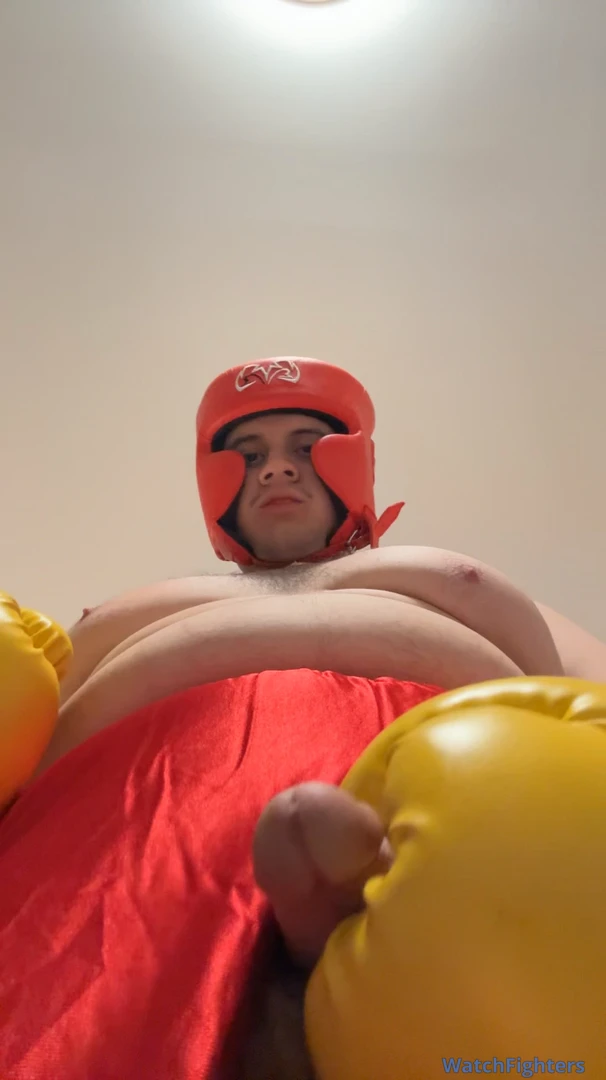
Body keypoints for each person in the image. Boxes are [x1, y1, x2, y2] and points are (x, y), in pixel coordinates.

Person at [0, 357, 604, 1080]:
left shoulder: (446, 582)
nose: (278, 468)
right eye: (250, 454)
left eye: (307, 447)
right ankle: (326, 932)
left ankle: (336, 931)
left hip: (455, 809)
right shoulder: (126, 610)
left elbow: (591, 687)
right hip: (122, 832)